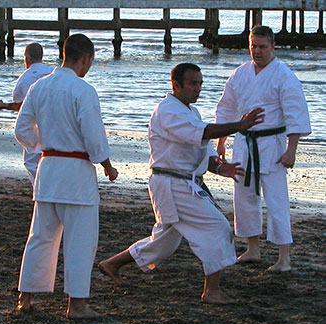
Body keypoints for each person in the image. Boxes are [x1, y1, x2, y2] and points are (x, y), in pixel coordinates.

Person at [99, 63, 264, 305]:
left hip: (178, 182)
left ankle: (112, 263)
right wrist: (239, 126)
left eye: (200, 84)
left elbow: (202, 147)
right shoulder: (168, 111)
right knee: (217, 227)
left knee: (164, 241)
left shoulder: (189, 112)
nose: (197, 89)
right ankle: (212, 291)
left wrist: (219, 168)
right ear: (176, 85)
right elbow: (201, 132)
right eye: (192, 84)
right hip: (172, 183)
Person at [15, 33, 118, 319]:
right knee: (81, 239)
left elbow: (22, 129)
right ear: (85, 59)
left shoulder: (39, 86)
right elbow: (93, 135)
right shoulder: (83, 90)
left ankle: (26, 296)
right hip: (75, 173)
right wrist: (107, 165)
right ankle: (77, 304)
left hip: (48, 169)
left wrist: (45, 142)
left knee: (41, 236)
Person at [215, 25, 311, 272]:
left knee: (277, 200)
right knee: (244, 198)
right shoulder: (240, 73)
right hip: (244, 142)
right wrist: (222, 140)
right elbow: (227, 107)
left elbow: (295, 113)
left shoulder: (284, 75)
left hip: (272, 145)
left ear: (273, 47)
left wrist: (292, 150)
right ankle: (253, 248)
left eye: (262, 47)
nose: (257, 51)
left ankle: (284, 257)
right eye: (253, 46)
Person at [13, 43, 54, 184]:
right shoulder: (53, 72)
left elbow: (19, 104)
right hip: (55, 123)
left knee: (32, 163)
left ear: (28, 59)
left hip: (34, 126)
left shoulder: (24, 79)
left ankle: (39, 190)